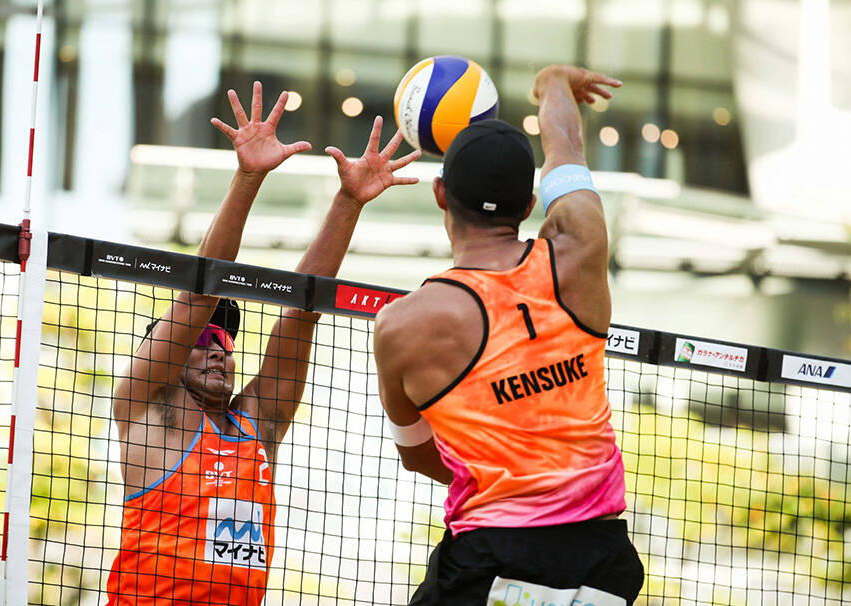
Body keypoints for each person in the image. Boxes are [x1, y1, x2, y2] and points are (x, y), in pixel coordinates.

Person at [105, 82, 420, 606]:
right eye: (202, 340)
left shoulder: (256, 424)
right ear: (166, 355)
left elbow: (300, 315)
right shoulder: (147, 413)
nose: (219, 349)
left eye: (226, 341)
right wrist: (248, 177)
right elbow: (197, 295)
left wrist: (349, 201)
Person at [372, 65, 644, 605]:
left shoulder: (403, 326)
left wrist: (505, 475)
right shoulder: (580, 251)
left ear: (440, 194)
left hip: (489, 559)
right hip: (601, 559)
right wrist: (553, 84)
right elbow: (566, 150)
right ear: (528, 207)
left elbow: (417, 453)